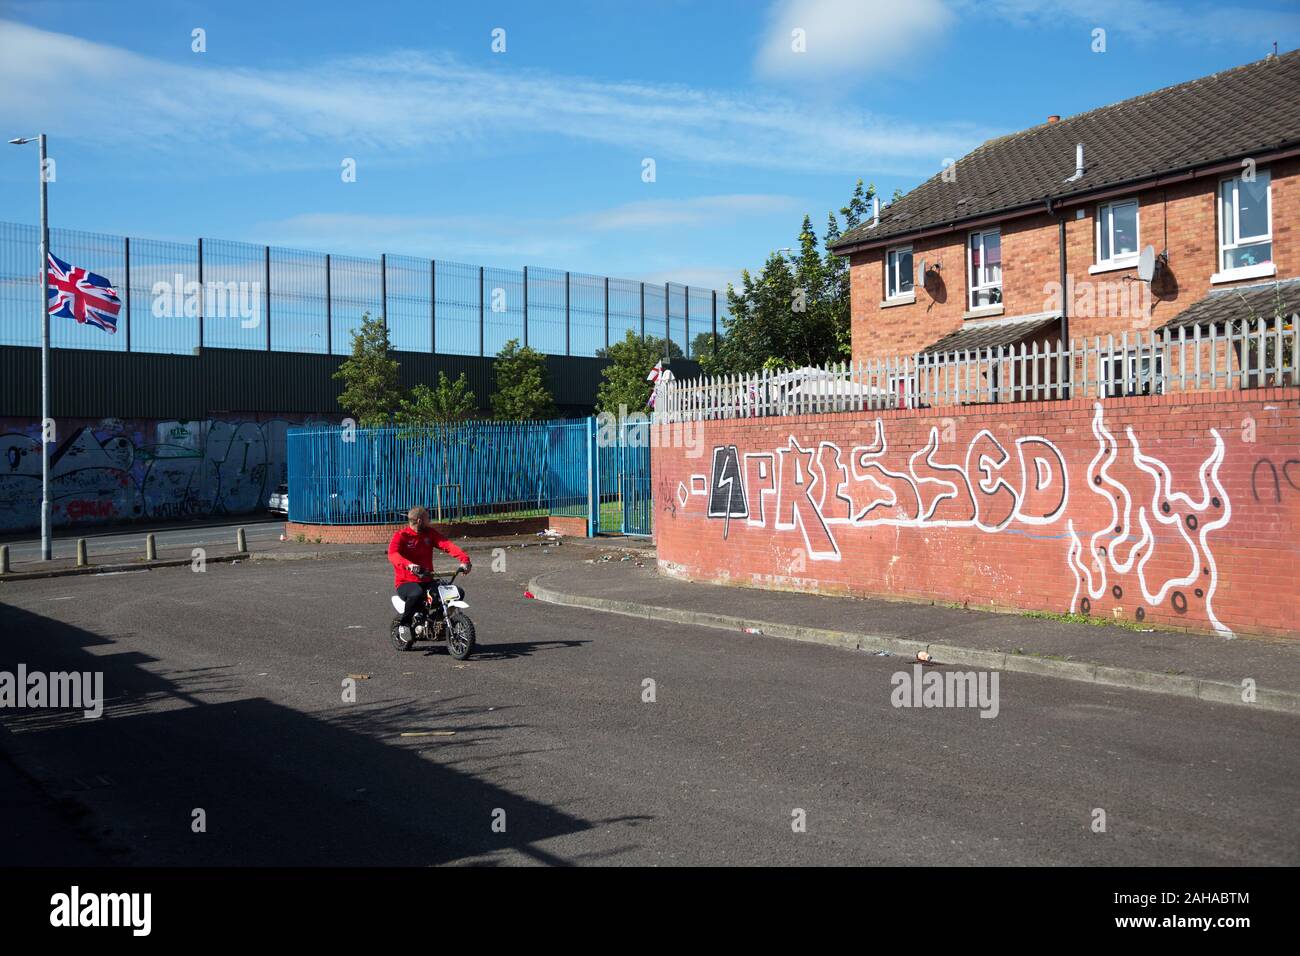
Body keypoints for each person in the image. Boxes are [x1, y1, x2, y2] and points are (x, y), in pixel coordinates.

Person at [387, 506, 472, 643]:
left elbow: (447, 545)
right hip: (405, 582)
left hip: (427, 579)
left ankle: (435, 622)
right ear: (420, 521)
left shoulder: (430, 534)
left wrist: (464, 559)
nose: (430, 521)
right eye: (428, 518)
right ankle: (404, 625)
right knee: (417, 593)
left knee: (456, 592)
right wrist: (409, 565)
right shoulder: (401, 536)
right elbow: (393, 555)